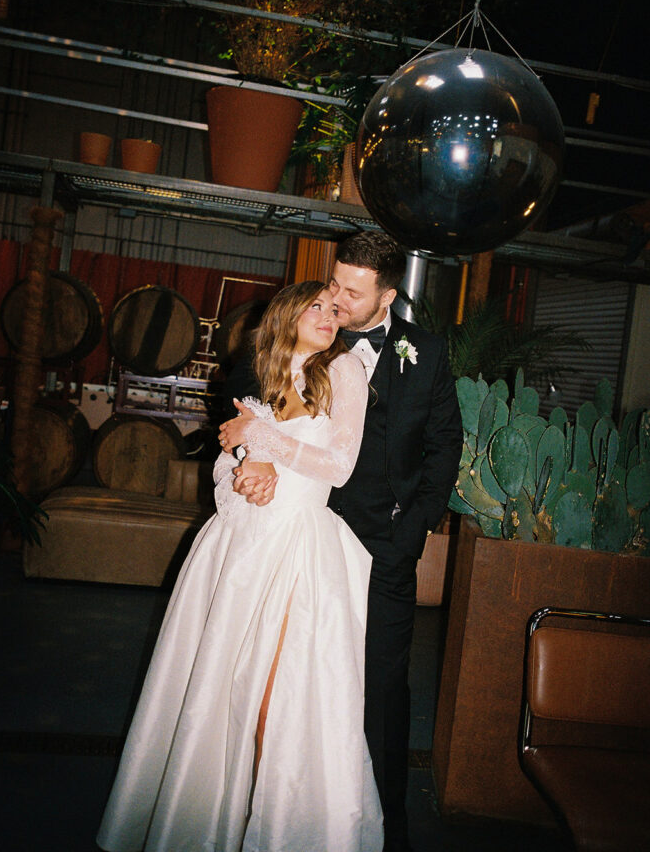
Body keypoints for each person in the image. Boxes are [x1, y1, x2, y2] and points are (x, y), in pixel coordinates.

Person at [97, 281, 384, 852]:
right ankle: (219, 825)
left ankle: (276, 830)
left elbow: (339, 466)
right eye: (317, 308)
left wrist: (266, 446)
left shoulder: (344, 371)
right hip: (240, 551)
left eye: (334, 309)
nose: (330, 316)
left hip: (300, 555)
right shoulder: (265, 379)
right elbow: (226, 471)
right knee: (222, 696)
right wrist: (249, 468)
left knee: (276, 697)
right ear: (286, 318)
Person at [229, 233, 463, 852]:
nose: (336, 298)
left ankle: (381, 830)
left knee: (382, 689)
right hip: (304, 542)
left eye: (352, 293)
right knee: (292, 682)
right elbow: (257, 410)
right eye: (333, 283)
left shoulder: (428, 353)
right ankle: (283, 814)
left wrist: (408, 539)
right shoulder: (308, 337)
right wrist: (262, 458)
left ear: (388, 295)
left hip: (384, 548)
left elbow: (444, 452)